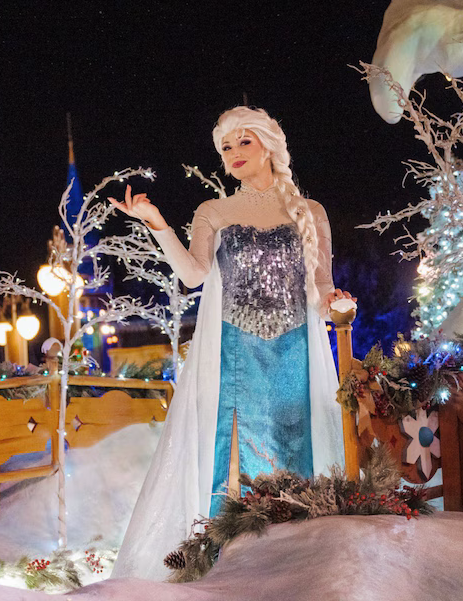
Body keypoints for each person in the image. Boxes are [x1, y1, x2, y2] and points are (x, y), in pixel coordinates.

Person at [109, 106, 351, 580]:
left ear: (268, 146)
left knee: (298, 455)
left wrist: (337, 301)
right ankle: (235, 570)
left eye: (244, 142)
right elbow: (195, 274)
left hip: (295, 356)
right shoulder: (213, 212)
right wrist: (156, 222)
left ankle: (303, 565)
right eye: (225, 147)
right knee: (235, 462)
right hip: (235, 357)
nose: (234, 153)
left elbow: (321, 288)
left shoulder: (311, 213)